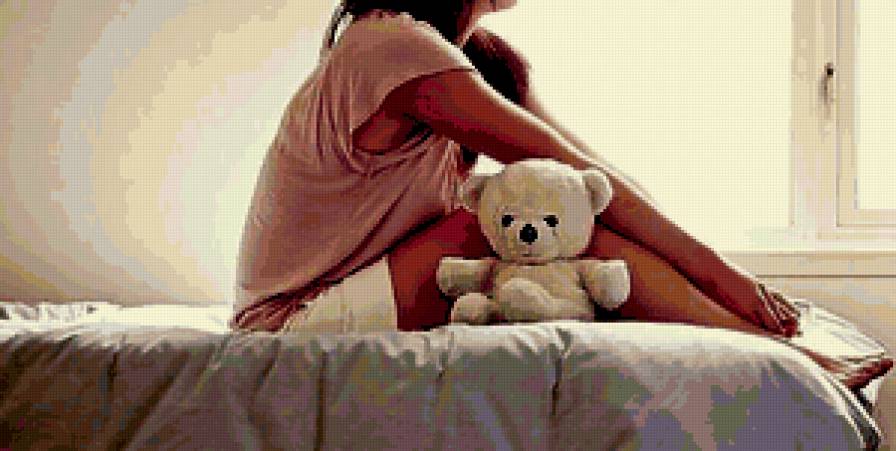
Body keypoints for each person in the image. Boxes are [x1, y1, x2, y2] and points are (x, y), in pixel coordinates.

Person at [231, 0, 890, 389]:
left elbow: (595, 179)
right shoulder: (392, 47)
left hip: (363, 289)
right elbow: (572, 180)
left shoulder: (473, 56)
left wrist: (722, 279)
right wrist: (724, 277)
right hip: (290, 323)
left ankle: (758, 338)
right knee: (527, 219)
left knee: (554, 207)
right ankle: (781, 354)